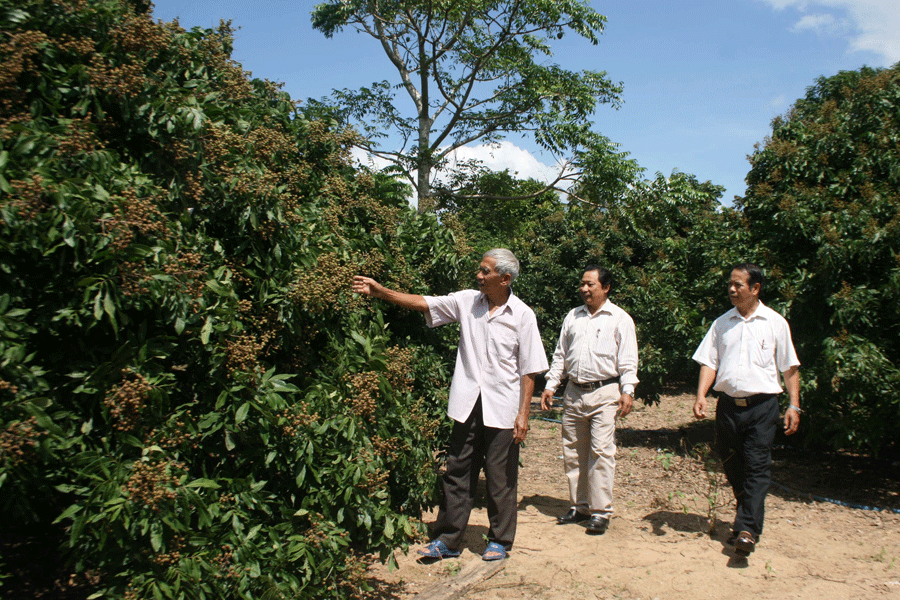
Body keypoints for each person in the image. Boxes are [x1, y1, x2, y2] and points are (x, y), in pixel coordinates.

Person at [351, 249, 548, 562]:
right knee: (457, 470)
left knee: (500, 476)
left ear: (505, 278)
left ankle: (499, 540)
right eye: (480, 270)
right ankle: (448, 540)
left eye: (485, 272)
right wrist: (381, 292)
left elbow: (529, 370)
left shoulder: (522, 315)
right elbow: (424, 302)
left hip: (504, 407)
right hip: (468, 403)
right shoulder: (468, 301)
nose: (479, 276)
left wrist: (524, 414)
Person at [692, 262, 801, 557]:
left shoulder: (775, 323)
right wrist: (701, 394)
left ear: (755, 288)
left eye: (738, 285)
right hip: (728, 407)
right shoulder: (722, 323)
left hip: (762, 407)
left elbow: (789, 367)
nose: (731, 289)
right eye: (730, 284)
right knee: (732, 464)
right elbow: (709, 362)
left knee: (756, 466)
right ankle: (746, 517)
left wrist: (794, 404)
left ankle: (747, 530)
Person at [539, 265, 638, 535]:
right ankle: (579, 506)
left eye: (590, 284)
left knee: (602, 452)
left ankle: (601, 511)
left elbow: (628, 360)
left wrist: (627, 390)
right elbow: (561, 354)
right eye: (582, 284)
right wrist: (551, 385)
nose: (584, 289)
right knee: (573, 450)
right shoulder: (573, 316)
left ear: (605, 288)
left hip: (605, 393)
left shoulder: (620, 319)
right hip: (573, 392)